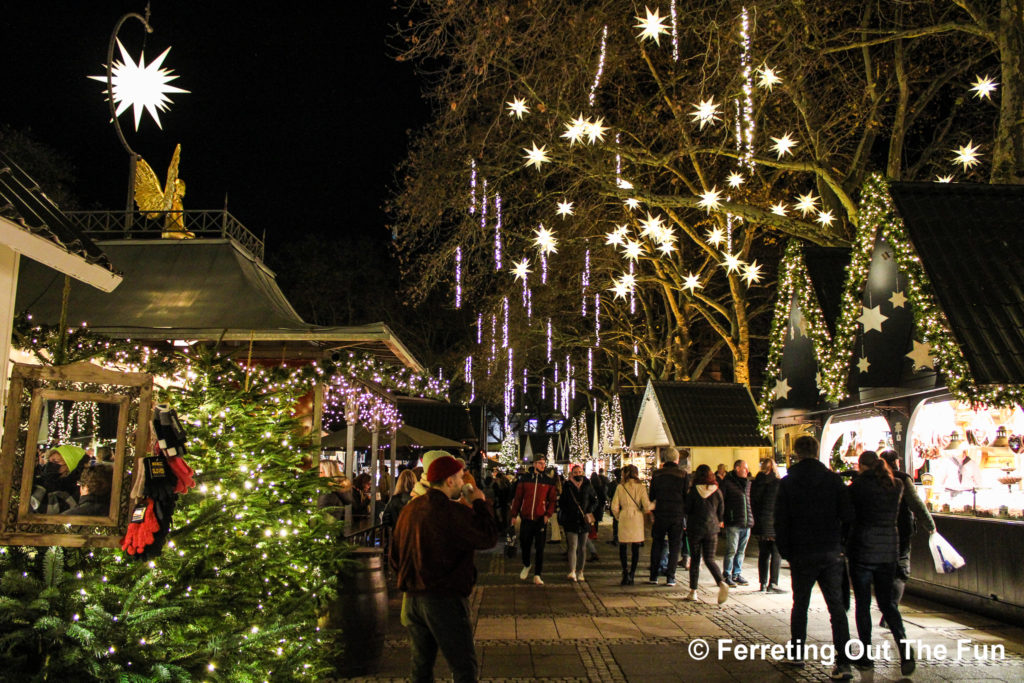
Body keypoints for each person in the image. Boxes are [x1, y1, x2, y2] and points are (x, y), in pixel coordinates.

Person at [389, 453, 498, 683]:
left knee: (421, 667)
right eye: (459, 477)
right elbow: (488, 538)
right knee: (463, 667)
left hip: (412, 600)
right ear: (449, 481)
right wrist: (479, 501)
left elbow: (394, 555)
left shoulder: (410, 509)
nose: (463, 482)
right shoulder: (450, 512)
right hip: (443, 600)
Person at [775, 435, 854, 680]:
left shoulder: (788, 482)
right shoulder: (834, 480)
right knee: (836, 607)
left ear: (796, 453)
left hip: (802, 551)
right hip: (830, 550)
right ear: (817, 451)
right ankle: (843, 662)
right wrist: (841, 544)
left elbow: (780, 520)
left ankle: (797, 652)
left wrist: (786, 550)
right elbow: (848, 515)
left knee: (801, 604)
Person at [848, 451, 915, 675]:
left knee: (863, 605)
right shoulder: (895, 485)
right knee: (888, 605)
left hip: (863, 552)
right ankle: (905, 651)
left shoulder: (857, 488)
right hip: (888, 552)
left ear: (861, 466)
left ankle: (866, 656)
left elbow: (849, 515)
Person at [878, 449, 935, 615]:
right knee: (901, 570)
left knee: (887, 569)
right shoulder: (902, 478)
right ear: (896, 462)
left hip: (882, 531)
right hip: (901, 530)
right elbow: (916, 503)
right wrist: (929, 524)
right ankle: (891, 609)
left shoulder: (875, 479)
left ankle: (887, 608)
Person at [509, 453, 558, 585]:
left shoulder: (548, 481)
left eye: (544, 463)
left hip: (540, 518)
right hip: (526, 517)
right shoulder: (524, 479)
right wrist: (514, 515)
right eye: (541, 463)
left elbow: (552, 500)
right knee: (525, 543)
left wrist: (547, 514)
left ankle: (537, 574)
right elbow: (518, 498)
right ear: (534, 464)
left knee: (540, 547)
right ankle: (526, 564)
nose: (543, 465)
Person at [683, 464, 729, 604]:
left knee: (695, 559)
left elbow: (687, 508)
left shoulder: (693, 491)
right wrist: (719, 520)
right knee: (710, 559)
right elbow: (721, 510)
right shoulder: (717, 491)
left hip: (695, 529)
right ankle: (721, 582)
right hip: (712, 529)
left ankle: (693, 591)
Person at [647, 447, 689, 587]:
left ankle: (653, 575)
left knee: (657, 544)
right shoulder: (683, 475)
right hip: (676, 514)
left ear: (665, 458)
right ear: (677, 459)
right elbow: (685, 496)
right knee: (674, 546)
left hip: (661, 513)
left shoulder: (657, 474)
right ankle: (670, 577)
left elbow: (652, 495)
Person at [610, 464, 650, 585]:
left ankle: (625, 571)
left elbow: (614, 506)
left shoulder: (620, 487)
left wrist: (618, 517)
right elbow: (647, 506)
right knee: (635, 547)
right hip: (636, 517)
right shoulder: (641, 488)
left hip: (624, 516)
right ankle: (632, 573)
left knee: (623, 546)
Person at [750, 458, 785, 593]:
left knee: (763, 554)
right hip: (774, 523)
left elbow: (753, 502)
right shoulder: (777, 483)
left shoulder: (756, 483)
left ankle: (762, 583)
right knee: (776, 553)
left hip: (760, 523)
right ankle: (773, 583)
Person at [559, 464, 597, 582]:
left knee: (582, 547)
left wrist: (589, 511)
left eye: (580, 472)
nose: (578, 474)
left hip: (583, 520)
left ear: (583, 473)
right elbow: (562, 502)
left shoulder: (588, 485)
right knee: (572, 546)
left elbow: (595, 500)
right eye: (575, 472)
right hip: (571, 521)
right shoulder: (567, 485)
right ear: (572, 474)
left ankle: (581, 571)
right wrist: (568, 512)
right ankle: (572, 571)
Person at [720, 459, 753, 586]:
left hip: (746, 521)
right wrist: (722, 518)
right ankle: (727, 574)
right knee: (731, 549)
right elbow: (722, 501)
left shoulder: (748, 483)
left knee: (741, 550)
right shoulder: (727, 483)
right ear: (737, 468)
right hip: (733, 521)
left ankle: (737, 573)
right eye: (745, 468)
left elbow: (750, 501)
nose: (747, 471)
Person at [31, 445, 88, 513]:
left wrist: (41, 483)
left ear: (70, 467)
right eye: (49, 460)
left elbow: (45, 508)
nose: (50, 464)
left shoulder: (74, 491)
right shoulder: (41, 479)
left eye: (55, 462)